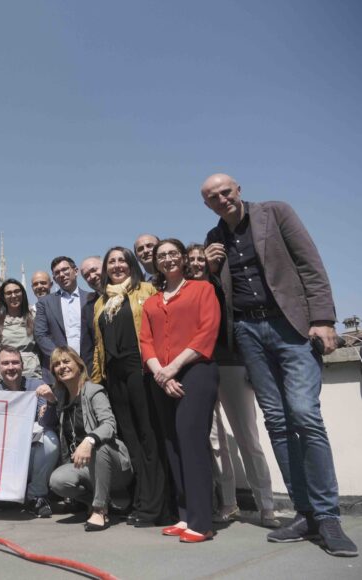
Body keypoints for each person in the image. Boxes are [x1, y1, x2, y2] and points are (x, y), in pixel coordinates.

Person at [202, 173, 356, 556]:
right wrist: (207, 269)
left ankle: (328, 516)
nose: (222, 199)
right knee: (277, 421)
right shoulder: (214, 239)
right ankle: (304, 514)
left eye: (226, 192)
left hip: (289, 325)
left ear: (238, 189)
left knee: (305, 414)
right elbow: (217, 298)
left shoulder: (276, 213)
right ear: (207, 205)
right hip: (249, 334)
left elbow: (309, 263)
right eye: (213, 197)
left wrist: (323, 319)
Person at [187, 242, 278, 527]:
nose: (196, 263)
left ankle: (266, 505)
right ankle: (228, 502)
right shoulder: (185, 291)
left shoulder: (222, 286)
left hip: (230, 363)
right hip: (198, 369)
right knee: (215, 441)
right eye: (191, 260)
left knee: (247, 437)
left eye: (201, 258)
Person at [140, 238, 221, 543]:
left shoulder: (203, 289)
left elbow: (207, 331)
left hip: (196, 370)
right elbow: (145, 341)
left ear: (184, 258)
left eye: (174, 253)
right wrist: (160, 372)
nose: (168, 259)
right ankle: (185, 516)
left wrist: (172, 369)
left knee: (191, 440)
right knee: (172, 444)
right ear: (156, 263)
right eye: (162, 255)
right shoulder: (152, 302)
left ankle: (202, 522)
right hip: (161, 375)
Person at [90, 246, 165, 528]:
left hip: (141, 368)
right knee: (131, 439)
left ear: (131, 264)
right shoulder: (102, 301)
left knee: (150, 436)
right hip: (115, 374)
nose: (117, 265)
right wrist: (98, 380)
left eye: (122, 260)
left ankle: (156, 506)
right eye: (111, 261)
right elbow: (99, 346)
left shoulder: (146, 290)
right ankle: (141, 500)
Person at [46, 346, 133, 532]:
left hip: (113, 464)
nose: (62, 366)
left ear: (78, 365)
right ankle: (104, 500)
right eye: (57, 364)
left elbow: (109, 425)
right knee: (57, 481)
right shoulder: (61, 398)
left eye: (66, 361)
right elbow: (47, 422)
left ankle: (100, 509)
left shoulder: (94, 391)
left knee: (99, 446)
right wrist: (50, 402)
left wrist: (89, 440)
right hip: (84, 467)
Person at [0, 346, 58, 518]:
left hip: (31, 453)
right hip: (7, 458)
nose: (10, 367)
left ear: (22, 365)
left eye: (15, 362)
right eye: (5, 363)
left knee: (50, 438)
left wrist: (50, 403)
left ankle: (36, 496)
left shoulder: (37, 386)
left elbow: (47, 423)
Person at [34, 256, 94, 382]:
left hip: (89, 370)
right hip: (58, 371)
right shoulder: (45, 303)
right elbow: (40, 335)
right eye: (57, 273)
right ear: (54, 279)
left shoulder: (91, 299)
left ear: (75, 271)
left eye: (65, 270)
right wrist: (61, 359)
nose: (62, 275)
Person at [0, 279, 40, 379]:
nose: (13, 296)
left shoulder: (34, 317)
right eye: (9, 293)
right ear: (3, 297)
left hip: (32, 374)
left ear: (23, 294)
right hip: (6, 376)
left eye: (17, 291)